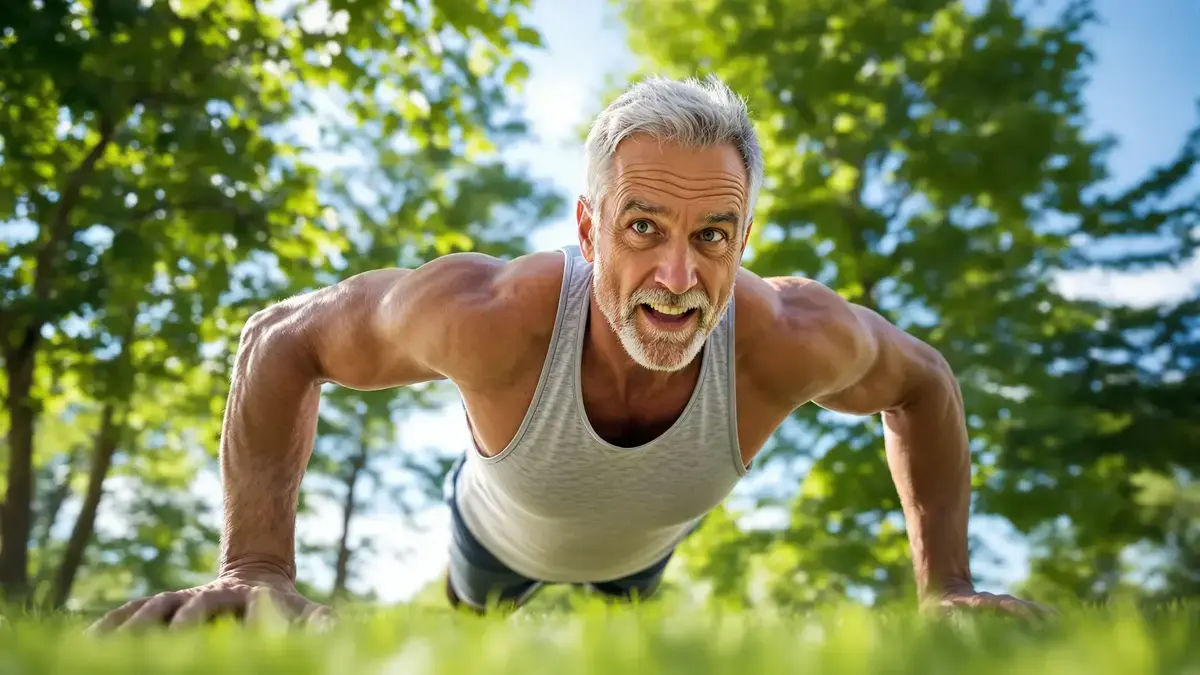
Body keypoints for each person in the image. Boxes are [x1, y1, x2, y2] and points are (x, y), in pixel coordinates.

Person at [88, 75, 1049, 633]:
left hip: (642, 556)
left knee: (619, 641)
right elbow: (280, 338)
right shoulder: (492, 315)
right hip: (489, 540)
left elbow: (923, 384)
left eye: (714, 235)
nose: (677, 276)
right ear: (589, 228)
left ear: (744, 239)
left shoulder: (791, 337)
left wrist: (947, 590)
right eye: (643, 226)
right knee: (470, 643)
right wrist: (256, 566)